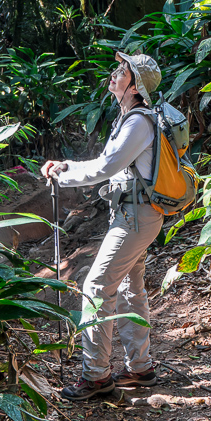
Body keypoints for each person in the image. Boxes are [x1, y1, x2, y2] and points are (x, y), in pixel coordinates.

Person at [41, 52, 164, 400]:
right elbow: (105, 162)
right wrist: (66, 166)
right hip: (134, 214)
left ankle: (96, 376)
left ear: (135, 86)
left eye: (123, 70)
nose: (115, 73)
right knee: (128, 288)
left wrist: (63, 178)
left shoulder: (138, 123)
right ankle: (140, 368)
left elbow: (104, 169)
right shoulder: (129, 119)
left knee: (96, 286)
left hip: (135, 219)